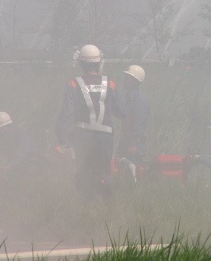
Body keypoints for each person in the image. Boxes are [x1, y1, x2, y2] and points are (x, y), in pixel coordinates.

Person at [55, 44, 126, 201]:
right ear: (99, 63)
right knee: (104, 172)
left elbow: (66, 114)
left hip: (82, 136)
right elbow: (121, 112)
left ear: (81, 63)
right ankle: (107, 201)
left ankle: (85, 205)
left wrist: (62, 139)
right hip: (105, 137)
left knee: (83, 171)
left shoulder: (73, 84)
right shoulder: (110, 84)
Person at [117, 65, 150, 168]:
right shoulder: (129, 98)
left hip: (133, 144)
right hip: (126, 140)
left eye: (128, 78)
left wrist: (134, 144)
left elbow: (139, 125)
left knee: (132, 171)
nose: (125, 80)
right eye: (125, 77)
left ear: (135, 81)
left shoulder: (139, 100)